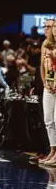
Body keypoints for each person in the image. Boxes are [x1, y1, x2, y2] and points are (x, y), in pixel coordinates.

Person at [39, 19, 56, 165]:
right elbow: (42, 66)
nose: (46, 29)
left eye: (49, 26)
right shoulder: (45, 45)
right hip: (48, 86)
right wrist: (45, 82)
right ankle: (52, 151)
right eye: (45, 26)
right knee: (48, 120)